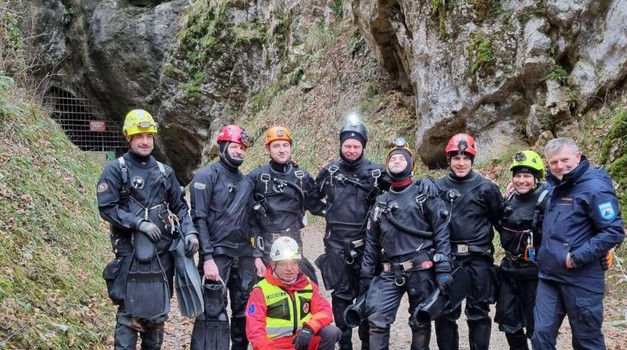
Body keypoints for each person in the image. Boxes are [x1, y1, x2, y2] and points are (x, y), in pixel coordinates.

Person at [98, 109, 199, 349]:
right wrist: (138, 223)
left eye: (149, 136)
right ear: (128, 137)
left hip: (162, 256)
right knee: (128, 315)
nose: (145, 141)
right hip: (129, 255)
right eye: (139, 136)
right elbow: (107, 207)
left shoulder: (165, 172)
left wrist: (191, 231)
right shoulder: (115, 170)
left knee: (156, 316)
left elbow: (181, 208)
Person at [360, 138, 453, 350]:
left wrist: (444, 268)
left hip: (421, 269)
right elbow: (372, 243)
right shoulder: (380, 203)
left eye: (403, 157)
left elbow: (441, 233)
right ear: (387, 165)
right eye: (393, 157)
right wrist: (366, 275)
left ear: (412, 165)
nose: (397, 160)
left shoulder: (425, 194)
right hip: (390, 271)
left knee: (420, 320)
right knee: (377, 319)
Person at [532, 137, 624, 350]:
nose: (559, 166)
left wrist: (575, 258)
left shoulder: (596, 188)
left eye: (565, 160)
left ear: (578, 157)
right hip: (549, 277)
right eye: (553, 162)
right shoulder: (556, 186)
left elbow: (614, 231)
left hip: (582, 278)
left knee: (586, 342)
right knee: (540, 337)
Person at [314, 119, 390, 350]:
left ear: (363, 147)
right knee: (341, 298)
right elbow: (310, 196)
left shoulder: (378, 172)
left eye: (356, 146)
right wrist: (328, 212)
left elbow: (400, 191)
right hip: (337, 246)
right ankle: (344, 344)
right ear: (341, 146)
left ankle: (367, 344)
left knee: (369, 295)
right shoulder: (330, 171)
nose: (352, 150)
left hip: (368, 247)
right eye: (348, 145)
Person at [189, 125, 262, 350]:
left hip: (244, 257)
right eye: (235, 147)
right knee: (213, 313)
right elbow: (199, 219)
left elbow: (253, 223)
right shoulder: (205, 177)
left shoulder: (247, 184)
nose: (239, 151)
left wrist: (257, 255)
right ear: (223, 147)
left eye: (242, 148)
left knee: (244, 312)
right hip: (217, 256)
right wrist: (207, 257)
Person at [433, 132, 503, 350]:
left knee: (478, 312)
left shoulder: (487, 188)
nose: (461, 163)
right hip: (449, 258)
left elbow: (502, 221)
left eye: (466, 158)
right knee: (445, 312)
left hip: (478, 258)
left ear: (472, 160)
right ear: (449, 160)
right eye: (456, 158)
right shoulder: (437, 187)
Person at [249, 126, 325, 283]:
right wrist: (255, 255)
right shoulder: (256, 178)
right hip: (266, 250)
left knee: (310, 289)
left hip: (293, 246)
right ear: (268, 149)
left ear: (290, 147)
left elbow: (317, 206)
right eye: (276, 146)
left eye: (285, 145)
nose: (281, 150)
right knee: (261, 297)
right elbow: (246, 218)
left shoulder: (301, 177)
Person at [245, 236, 342, 350]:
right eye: (283, 264)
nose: (289, 269)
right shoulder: (261, 291)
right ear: (272, 265)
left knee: (331, 332)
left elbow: (324, 311)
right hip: (275, 345)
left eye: (294, 263)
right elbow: (255, 329)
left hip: (301, 341)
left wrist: (309, 329)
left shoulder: (307, 284)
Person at [494, 150, 548, 350]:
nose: (521, 180)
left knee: (536, 327)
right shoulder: (509, 199)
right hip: (509, 271)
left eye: (527, 176)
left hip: (534, 274)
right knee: (509, 324)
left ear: (536, 178)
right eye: (517, 175)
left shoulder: (546, 201)